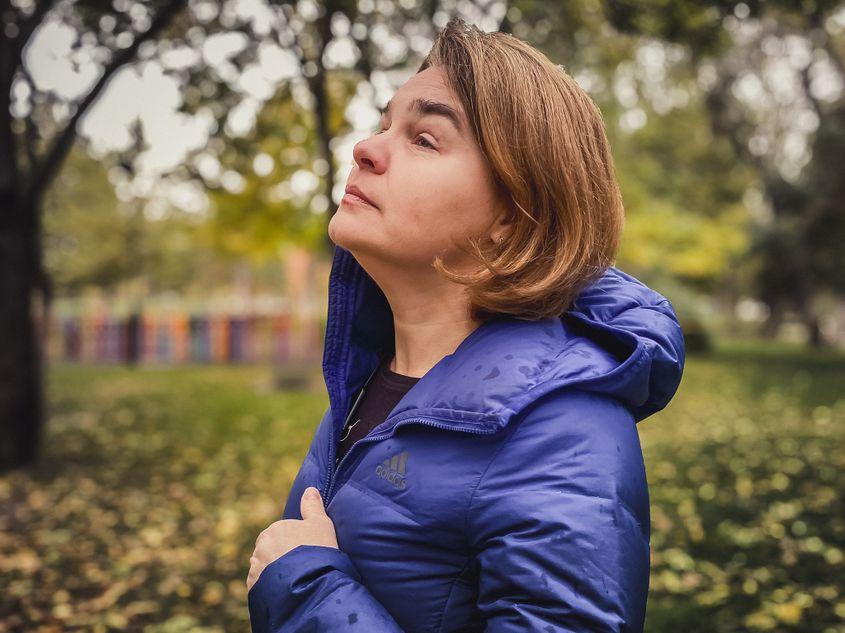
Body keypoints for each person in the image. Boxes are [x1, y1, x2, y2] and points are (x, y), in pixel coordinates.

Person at [247, 16, 685, 633]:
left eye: (423, 139)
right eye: (384, 124)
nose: (366, 149)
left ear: (513, 214)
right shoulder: (374, 375)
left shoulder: (563, 428)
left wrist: (308, 593)